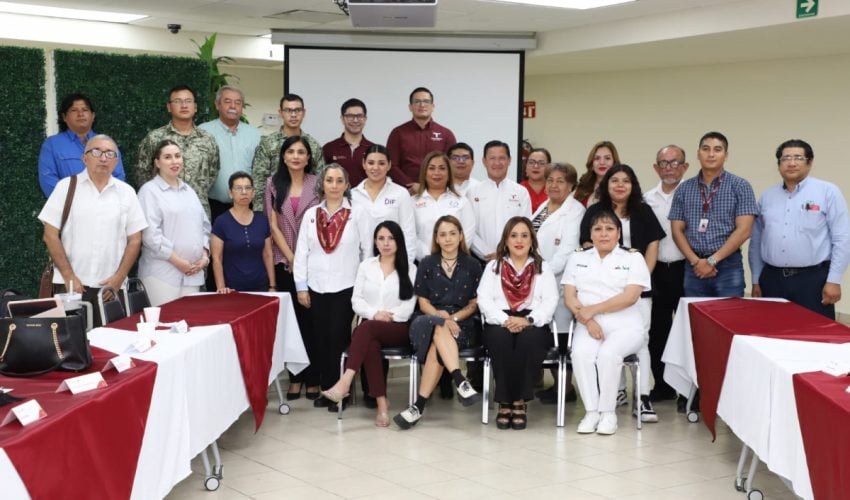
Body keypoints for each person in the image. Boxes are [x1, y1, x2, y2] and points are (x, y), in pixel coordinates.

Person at [578, 164, 665, 422]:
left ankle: (643, 397)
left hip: (636, 289)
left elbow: (653, 244)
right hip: (602, 291)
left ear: (632, 185)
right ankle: (615, 392)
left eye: (625, 180)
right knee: (606, 339)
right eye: (614, 180)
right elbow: (585, 244)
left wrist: (640, 279)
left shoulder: (643, 210)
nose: (619, 185)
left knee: (641, 341)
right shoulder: (595, 211)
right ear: (607, 184)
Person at [38, 134, 147, 327]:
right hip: (70, 286)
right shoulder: (66, 187)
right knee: (68, 346)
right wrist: (69, 275)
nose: (103, 158)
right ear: (84, 157)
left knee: (111, 345)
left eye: (109, 153)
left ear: (116, 160)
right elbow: (50, 235)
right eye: (96, 152)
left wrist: (118, 278)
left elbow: (135, 239)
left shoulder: (127, 192)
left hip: (111, 289)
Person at [319, 220, 417, 425]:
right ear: (375, 241)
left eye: (391, 238)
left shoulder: (411, 269)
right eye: (381, 238)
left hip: (397, 327)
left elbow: (408, 308)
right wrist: (374, 313)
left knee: (365, 329)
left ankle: (345, 382)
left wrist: (385, 316)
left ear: (399, 241)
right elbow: (356, 301)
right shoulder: (366, 266)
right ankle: (382, 404)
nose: (386, 243)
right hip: (370, 326)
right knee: (369, 342)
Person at [563, 209, 651, 435]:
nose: (604, 234)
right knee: (580, 354)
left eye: (610, 229)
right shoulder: (578, 257)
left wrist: (592, 310)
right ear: (590, 234)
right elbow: (570, 296)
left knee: (608, 354)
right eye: (598, 229)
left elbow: (630, 296)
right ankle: (592, 412)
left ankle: (608, 413)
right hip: (588, 324)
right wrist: (588, 319)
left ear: (618, 234)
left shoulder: (633, 258)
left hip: (625, 325)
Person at [394, 215, 483, 429]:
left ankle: (417, 407)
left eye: (453, 233)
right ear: (436, 238)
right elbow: (423, 302)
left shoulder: (473, 265)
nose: (448, 238)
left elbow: (474, 304)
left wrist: (452, 318)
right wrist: (440, 317)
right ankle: (460, 379)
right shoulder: (427, 263)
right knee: (438, 327)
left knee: (437, 347)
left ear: (461, 235)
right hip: (427, 319)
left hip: (463, 322)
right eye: (443, 234)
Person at [750, 139, 850, 319]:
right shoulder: (767, 196)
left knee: (814, 337)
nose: (791, 163)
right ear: (779, 164)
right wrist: (756, 279)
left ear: (810, 162)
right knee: (772, 335)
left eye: (798, 157)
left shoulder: (828, 192)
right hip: (772, 279)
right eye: (785, 158)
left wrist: (834, 280)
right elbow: (756, 241)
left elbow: (842, 238)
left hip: (813, 280)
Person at [477, 217, 558, 430]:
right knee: (500, 339)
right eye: (513, 235)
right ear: (505, 240)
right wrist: (506, 320)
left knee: (529, 340)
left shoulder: (543, 267)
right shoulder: (493, 267)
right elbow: (483, 299)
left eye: (524, 235)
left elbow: (550, 301)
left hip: (532, 320)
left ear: (532, 239)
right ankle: (505, 401)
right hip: (499, 319)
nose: (519, 240)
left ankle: (520, 402)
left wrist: (528, 320)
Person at [293, 164, 363, 411]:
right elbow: (301, 252)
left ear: (346, 185)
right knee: (320, 340)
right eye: (329, 180)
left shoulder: (357, 214)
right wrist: (301, 287)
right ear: (322, 184)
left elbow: (366, 253)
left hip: (346, 286)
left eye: (339, 180)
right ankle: (326, 388)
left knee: (338, 339)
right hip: (316, 286)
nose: (334, 185)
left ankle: (340, 392)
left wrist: (363, 287)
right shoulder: (312, 215)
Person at [265, 136, 321, 401]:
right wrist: (291, 257)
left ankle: (313, 377)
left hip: (316, 263)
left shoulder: (318, 183)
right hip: (284, 261)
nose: (296, 156)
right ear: (284, 156)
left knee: (312, 322)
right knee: (293, 323)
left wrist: (303, 259)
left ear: (308, 157)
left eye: (301, 152)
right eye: (291, 151)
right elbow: (273, 225)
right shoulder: (273, 184)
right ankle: (296, 378)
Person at [669, 131, 758, 297]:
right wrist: (696, 261)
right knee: (696, 318)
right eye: (705, 149)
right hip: (693, 266)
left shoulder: (740, 186)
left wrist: (712, 260)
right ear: (698, 154)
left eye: (717, 149)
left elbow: (744, 230)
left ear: (726, 155)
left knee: (729, 318)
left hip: (728, 266)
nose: (711, 154)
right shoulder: (683, 189)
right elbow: (676, 230)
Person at [530, 162, 585, 404]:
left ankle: (566, 388)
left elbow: (566, 252)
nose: (553, 185)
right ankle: (557, 387)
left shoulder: (575, 211)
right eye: (550, 180)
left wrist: (540, 276)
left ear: (571, 185)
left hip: (559, 281)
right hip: (539, 280)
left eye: (560, 181)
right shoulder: (544, 207)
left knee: (561, 333)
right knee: (547, 331)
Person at [137, 140, 211, 306]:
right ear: (157, 162)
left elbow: (204, 226)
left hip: (192, 275)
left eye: (177, 156)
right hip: (162, 275)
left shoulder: (189, 191)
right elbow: (150, 236)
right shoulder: (149, 191)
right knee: (164, 326)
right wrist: (178, 261)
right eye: (167, 157)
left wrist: (205, 256)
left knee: (187, 326)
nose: (174, 161)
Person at [644, 145, 689, 402]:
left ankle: (687, 389)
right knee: (657, 331)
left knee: (685, 332)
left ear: (684, 166)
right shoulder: (647, 199)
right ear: (656, 167)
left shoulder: (693, 194)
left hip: (687, 269)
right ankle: (662, 384)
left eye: (674, 163)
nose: (669, 168)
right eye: (663, 163)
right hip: (657, 270)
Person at [136, 84, 220, 219]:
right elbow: (143, 173)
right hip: (163, 210)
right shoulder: (155, 138)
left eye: (188, 101)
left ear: (195, 107)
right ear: (169, 107)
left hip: (198, 209)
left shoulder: (207, 139)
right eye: (178, 101)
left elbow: (213, 172)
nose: (184, 105)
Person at [38, 93, 126, 198]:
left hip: (105, 207)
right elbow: (48, 181)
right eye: (74, 110)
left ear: (93, 116)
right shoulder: (52, 145)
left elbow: (119, 176)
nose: (80, 114)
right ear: (64, 117)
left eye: (85, 110)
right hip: (70, 209)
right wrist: (78, 203)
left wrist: (102, 201)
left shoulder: (107, 143)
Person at [198, 85, 262, 224]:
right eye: (227, 101)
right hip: (214, 207)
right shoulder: (202, 132)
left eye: (238, 102)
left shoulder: (255, 135)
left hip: (247, 207)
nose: (233, 106)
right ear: (217, 104)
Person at [252, 94, 325, 208]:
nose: (293, 115)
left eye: (297, 110)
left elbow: (320, 182)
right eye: (288, 110)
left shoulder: (313, 145)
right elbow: (259, 182)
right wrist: (261, 216)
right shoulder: (268, 143)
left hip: (306, 208)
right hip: (275, 208)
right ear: (280, 113)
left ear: (304, 113)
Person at [467, 140, 532, 262]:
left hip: (513, 259)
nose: (497, 163)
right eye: (492, 158)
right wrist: (486, 254)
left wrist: (506, 253)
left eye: (502, 158)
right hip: (480, 260)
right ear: (484, 161)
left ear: (509, 160)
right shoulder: (472, 192)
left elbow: (526, 227)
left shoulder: (521, 192)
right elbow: (469, 229)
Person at [351, 144, 417, 264]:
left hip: (392, 263)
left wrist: (406, 265)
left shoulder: (400, 193)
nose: (375, 168)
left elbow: (408, 233)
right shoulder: (352, 195)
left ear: (389, 165)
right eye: (371, 163)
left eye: (381, 163)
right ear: (364, 164)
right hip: (359, 265)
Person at [210, 172, 275, 293]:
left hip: (261, 287)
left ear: (253, 192)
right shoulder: (221, 222)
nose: (244, 192)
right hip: (232, 289)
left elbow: (268, 254)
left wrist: (272, 286)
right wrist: (221, 287)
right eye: (238, 188)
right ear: (230, 193)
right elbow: (217, 258)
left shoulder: (262, 219)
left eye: (248, 188)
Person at [386, 87, 457, 194]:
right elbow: (391, 165)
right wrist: (409, 184)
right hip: (406, 192)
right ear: (410, 107)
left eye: (426, 101)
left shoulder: (446, 134)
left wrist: (435, 186)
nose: (422, 105)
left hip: (438, 192)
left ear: (433, 106)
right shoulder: (398, 133)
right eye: (417, 101)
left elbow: (452, 165)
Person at [412, 151, 476, 261]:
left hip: (457, 263)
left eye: (442, 168)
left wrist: (452, 255)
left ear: (448, 173)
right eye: (431, 168)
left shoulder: (461, 201)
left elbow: (468, 233)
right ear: (424, 172)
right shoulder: (412, 203)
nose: (437, 173)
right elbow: (411, 235)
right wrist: (429, 257)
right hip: (424, 263)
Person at [323, 98, 374, 188]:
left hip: (366, 201)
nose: (355, 120)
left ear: (365, 119)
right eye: (350, 116)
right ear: (342, 119)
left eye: (359, 116)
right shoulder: (329, 148)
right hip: (337, 200)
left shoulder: (373, 149)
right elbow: (321, 179)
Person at [574, 141, 620, 207]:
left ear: (614, 163)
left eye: (607, 158)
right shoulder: (582, 186)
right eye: (597, 158)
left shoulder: (621, 188)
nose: (602, 162)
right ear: (592, 164)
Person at [521, 148, 550, 212]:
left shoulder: (553, 189)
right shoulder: (518, 189)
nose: (536, 166)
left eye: (541, 163)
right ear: (526, 167)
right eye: (531, 162)